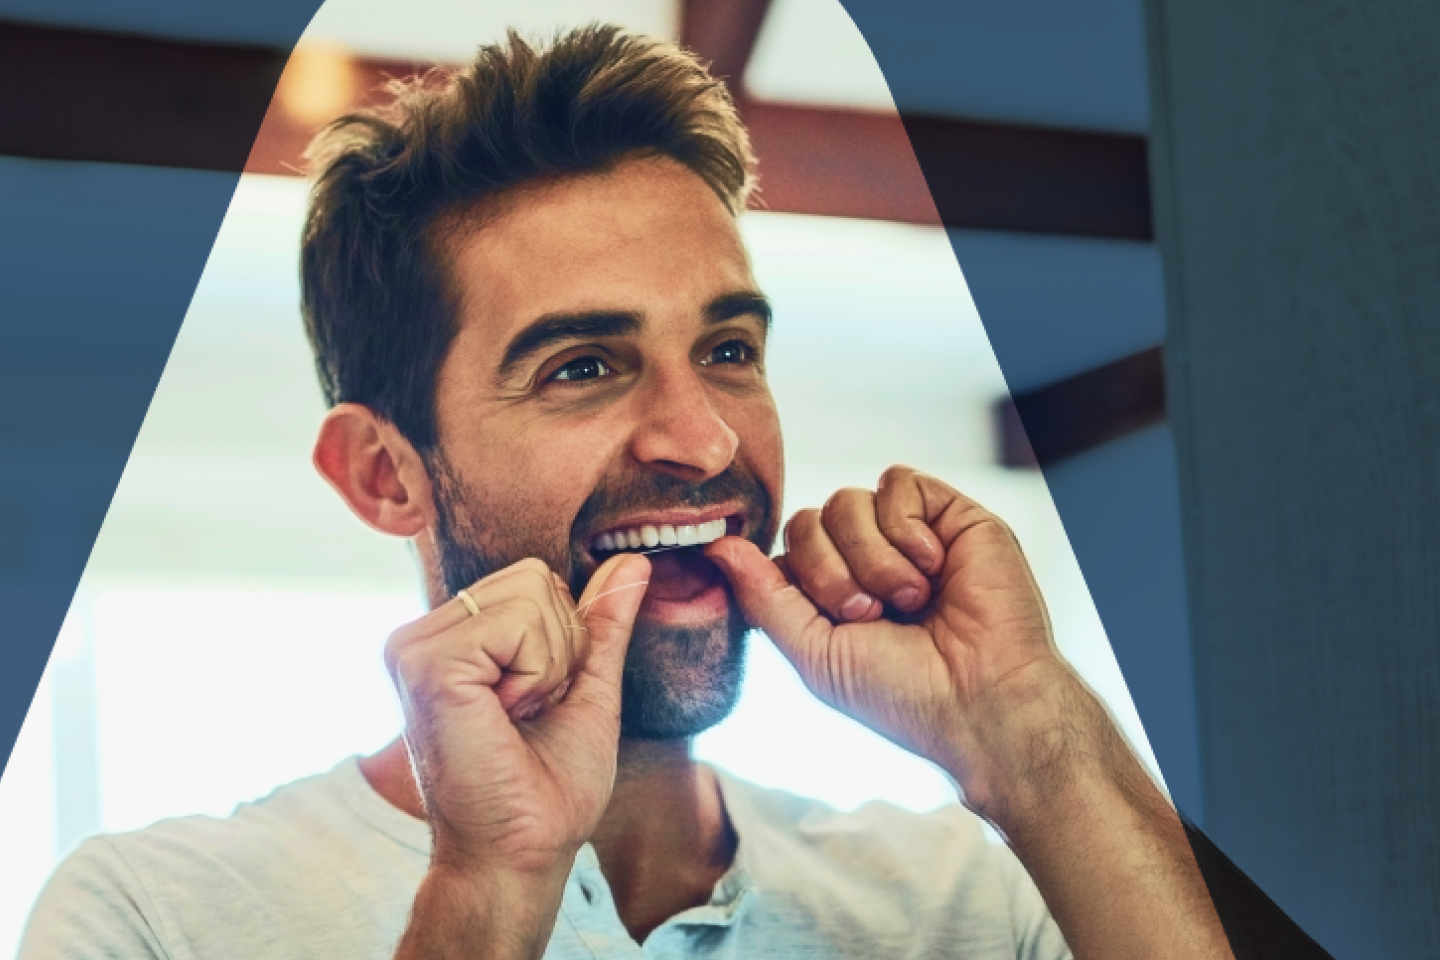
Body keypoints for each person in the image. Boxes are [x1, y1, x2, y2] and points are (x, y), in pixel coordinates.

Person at [20, 25, 1235, 960]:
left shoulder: (972, 897)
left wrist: (1034, 739)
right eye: (583, 367)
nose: (700, 435)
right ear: (387, 475)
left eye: (728, 349)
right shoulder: (152, 917)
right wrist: (488, 898)